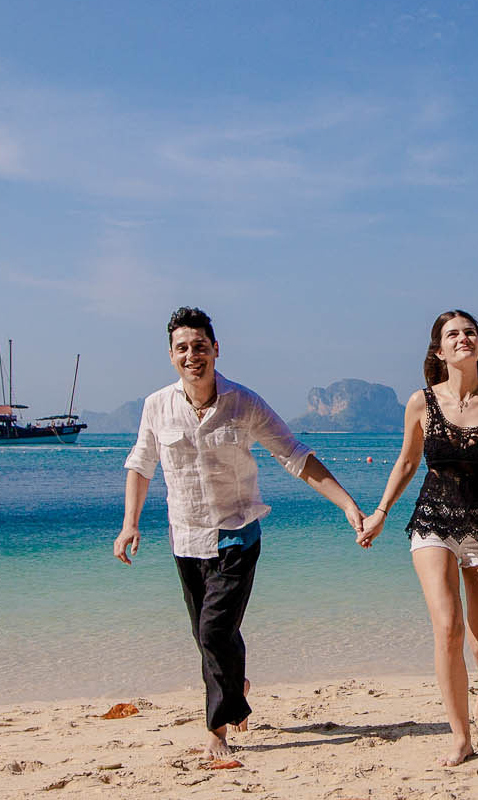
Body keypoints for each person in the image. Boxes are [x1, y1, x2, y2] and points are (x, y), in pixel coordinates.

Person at [114, 307, 365, 763]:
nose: (193, 355)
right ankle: (236, 684)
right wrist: (130, 523)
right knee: (210, 634)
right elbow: (140, 464)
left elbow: (293, 454)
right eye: (183, 348)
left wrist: (347, 503)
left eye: (200, 346)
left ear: (216, 350)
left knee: (213, 631)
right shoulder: (157, 406)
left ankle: (217, 729)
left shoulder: (244, 402)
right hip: (185, 540)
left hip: (236, 535)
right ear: (171, 356)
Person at [359, 310, 478, 766]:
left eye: (470, 332)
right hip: (433, 523)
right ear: (439, 351)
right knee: (448, 628)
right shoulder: (420, 403)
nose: (464, 338)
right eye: (453, 334)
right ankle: (461, 737)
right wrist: (381, 512)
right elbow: (406, 463)